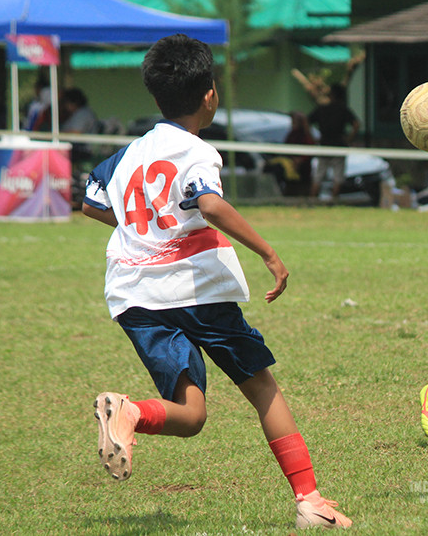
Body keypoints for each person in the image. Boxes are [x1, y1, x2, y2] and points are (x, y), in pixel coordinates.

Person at [82, 34, 351, 530]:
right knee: (263, 388)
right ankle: (309, 501)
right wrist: (268, 253)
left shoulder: (128, 155)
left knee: (192, 415)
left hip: (134, 297)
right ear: (210, 94)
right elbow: (209, 203)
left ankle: (131, 411)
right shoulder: (197, 151)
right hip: (197, 292)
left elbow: (92, 201)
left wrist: (144, 230)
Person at [307, 82, 360, 202]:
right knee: (338, 177)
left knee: (318, 176)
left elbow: (306, 120)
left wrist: (312, 137)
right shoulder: (342, 109)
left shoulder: (322, 109)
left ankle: (312, 201)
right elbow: (356, 124)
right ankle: (333, 201)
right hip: (338, 146)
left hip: (325, 146)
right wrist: (349, 138)